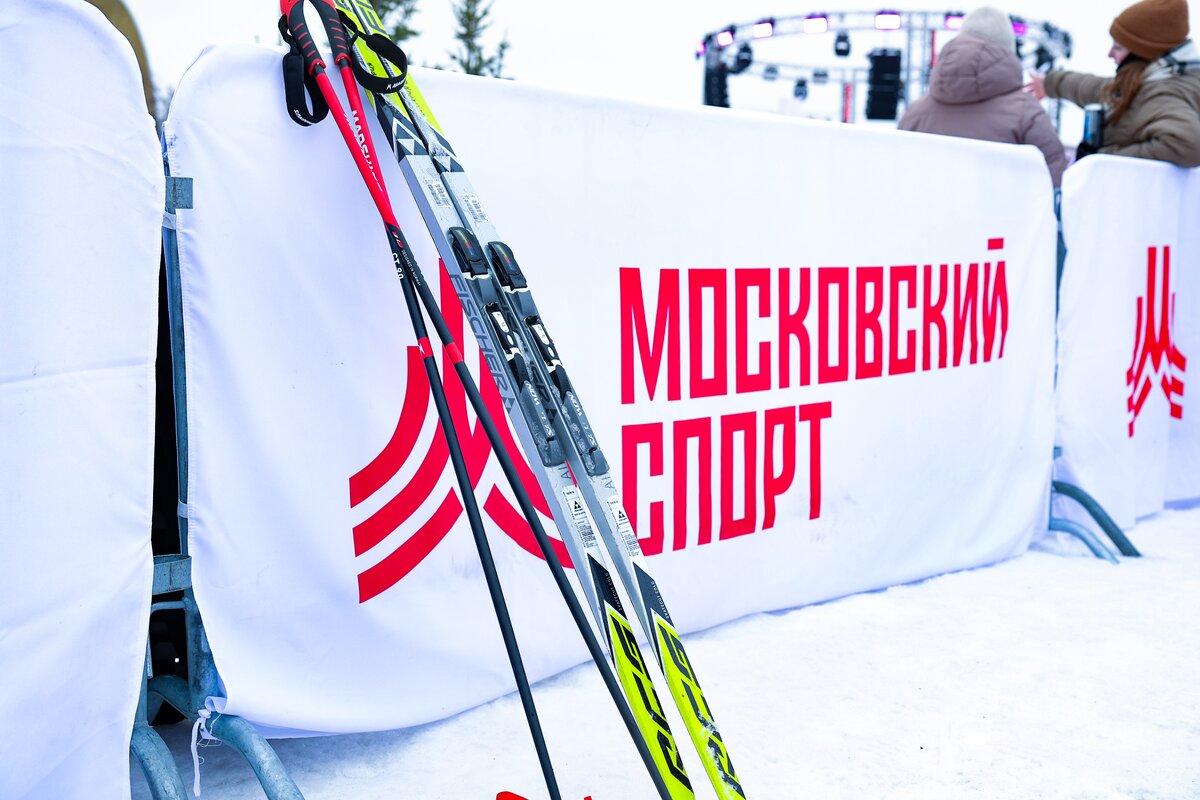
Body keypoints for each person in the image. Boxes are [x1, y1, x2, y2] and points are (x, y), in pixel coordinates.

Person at [899, 6, 1067, 186]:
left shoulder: (915, 114)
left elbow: (896, 174)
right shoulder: (1027, 113)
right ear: (1008, 50)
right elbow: (1053, 183)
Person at [1028, 0, 1200, 167]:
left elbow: (1188, 145)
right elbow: (1097, 89)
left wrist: (1105, 160)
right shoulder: (1148, 81)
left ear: (1143, 53)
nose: (1110, 54)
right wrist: (1050, 83)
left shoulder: (1163, 94)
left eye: (1118, 48)